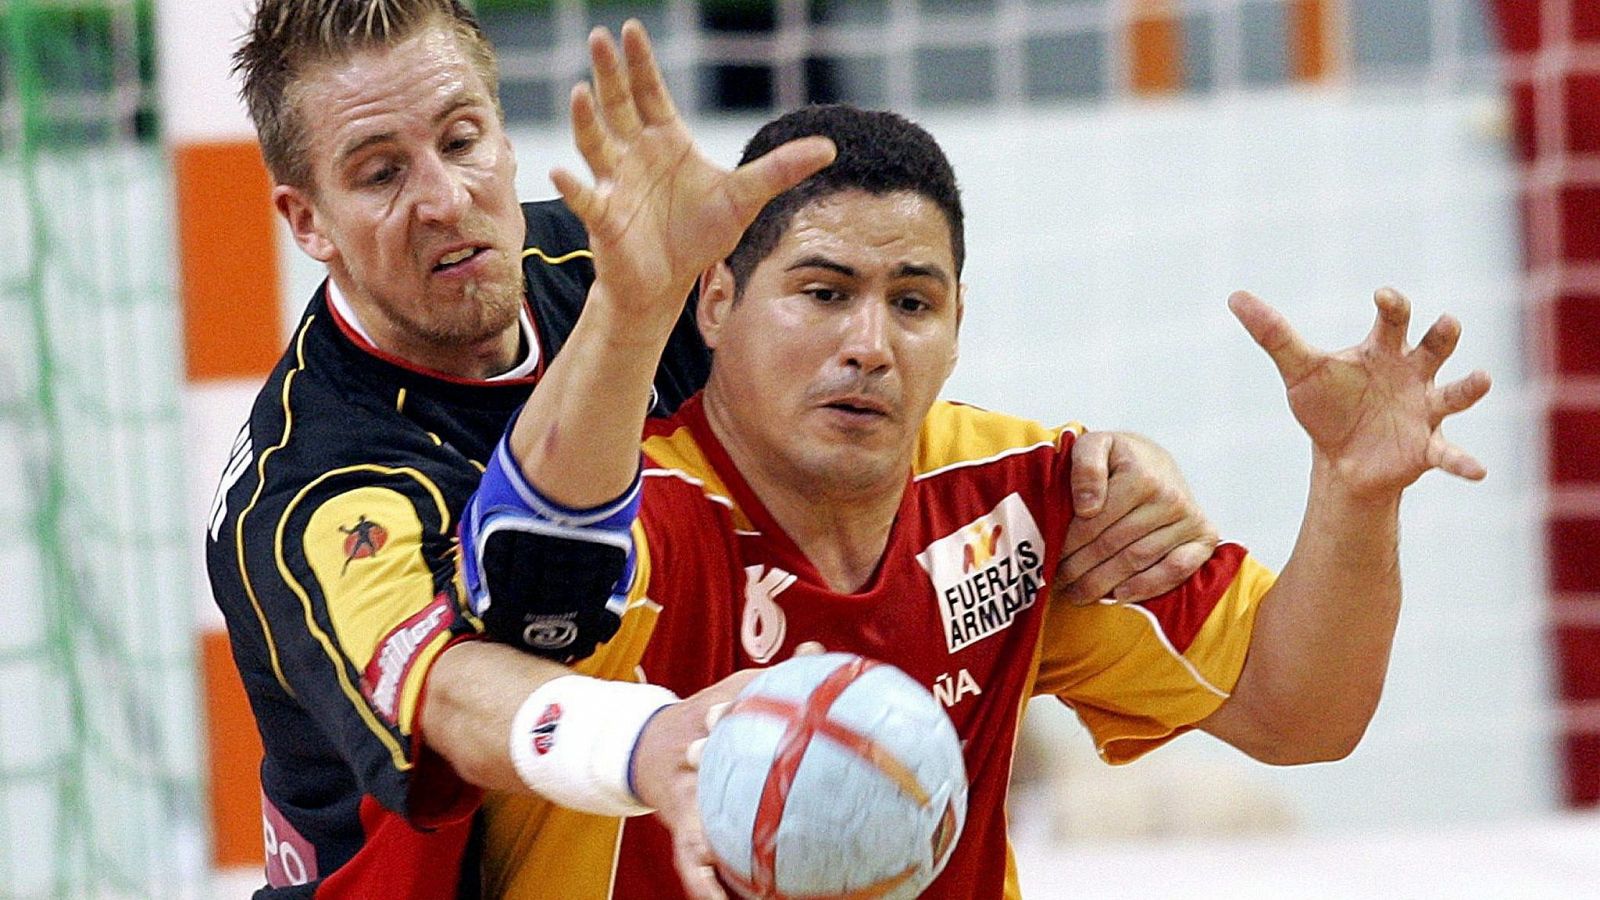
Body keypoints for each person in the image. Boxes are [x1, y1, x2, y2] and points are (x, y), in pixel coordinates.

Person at [204, 3, 1219, 896]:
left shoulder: (622, 251)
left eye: (462, 141)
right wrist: (652, 741)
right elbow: (462, 697)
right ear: (309, 222)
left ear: (506, 143)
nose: (442, 198)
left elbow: (841, 399)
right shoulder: (312, 486)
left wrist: (1111, 466)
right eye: (380, 173)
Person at [468, 31, 1493, 900]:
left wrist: (1355, 490)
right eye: (823, 292)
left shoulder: (1028, 498)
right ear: (718, 307)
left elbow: (1297, 712)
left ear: (956, 333)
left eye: (912, 303)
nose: (870, 341)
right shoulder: (619, 521)